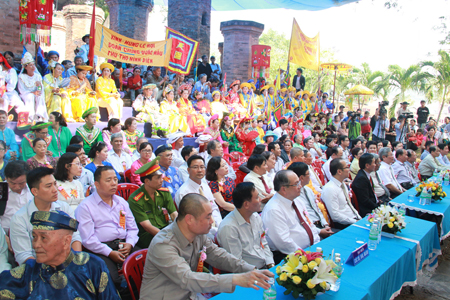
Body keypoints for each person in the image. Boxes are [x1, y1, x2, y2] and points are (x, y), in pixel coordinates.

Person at [139, 193, 272, 300]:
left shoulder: (197, 234)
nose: (212, 221)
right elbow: (188, 279)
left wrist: (251, 270)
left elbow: (219, 256)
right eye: (208, 217)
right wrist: (236, 279)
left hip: (190, 294)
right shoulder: (163, 245)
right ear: (190, 219)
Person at [0, 210, 120, 299]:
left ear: (66, 241)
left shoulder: (92, 265)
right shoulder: (29, 271)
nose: (36, 245)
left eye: (43, 238)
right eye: (34, 237)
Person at [75, 166, 139, 294]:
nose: (114, 183)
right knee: (114, 280)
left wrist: (130, 243)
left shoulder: (121, 202)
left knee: (146, 265)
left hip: (124, 244)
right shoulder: (85, 207)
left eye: (115, 179)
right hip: (101, 249)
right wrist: (110, 253)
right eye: (108, 180)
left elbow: (132, 228)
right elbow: (88, 240)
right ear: (97, 184)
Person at [10, 167, 82, 265]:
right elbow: (24, 255)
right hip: (38, 269)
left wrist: (77, 263)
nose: (55, 190)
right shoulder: (20, 218)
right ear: (35, 191)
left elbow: (74, 238)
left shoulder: (63, 208)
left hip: (67, 263)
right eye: (48, 186)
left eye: (55, 184)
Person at [261, 170, 320, 264]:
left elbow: (309, 224)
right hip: (291, 257)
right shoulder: (274, 210)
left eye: (299, 182)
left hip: (310, 251)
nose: (300, 186)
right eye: (296, 184)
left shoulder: (297, 201)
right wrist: (305, 256)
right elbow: (283, 242)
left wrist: (317, 245)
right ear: (283, 189)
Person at [217, 182, 274, 269]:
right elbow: (236, 263)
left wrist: (271, 265)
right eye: (257, 197)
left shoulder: (255, 217)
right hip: (249, 273)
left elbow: (264, 243)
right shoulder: (229, 227)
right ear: (246, 204)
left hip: (264, 265)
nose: (260, 200)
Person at [129, 157, 178, 248]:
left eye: (161, 176)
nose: (162, 179)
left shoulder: (164, 192)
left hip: (165, 230)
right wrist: (167, 238)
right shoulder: (135, 199)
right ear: (147, 181)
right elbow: (147, 226)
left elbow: (174, 214)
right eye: (158, 177)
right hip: (147, 236)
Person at [174, 155, 222, 237]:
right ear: (188, 170)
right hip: (198, 232)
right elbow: (191, 219)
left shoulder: (205, 186)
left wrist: (220, 226)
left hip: (214, 228)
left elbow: (214, 208)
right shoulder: (184, 192)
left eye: (202, 167)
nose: (200, 170)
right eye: (195, 167)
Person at [321, 158, 361, 229]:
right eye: (347, 167)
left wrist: (359, 218)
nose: (349, 170)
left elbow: (349, 205)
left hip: (353, 219)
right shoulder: (330, 189)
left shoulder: (342, 184)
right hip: (344, 225)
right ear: (339, 171)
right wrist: (354, 222)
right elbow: (335, 216)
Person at [1, 161, 31, 234]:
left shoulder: (33, 189)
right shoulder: (1, 190)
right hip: (5, 233)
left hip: (30, 231)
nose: (17, 187)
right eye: (12, 183)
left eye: (21, 183)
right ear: (6, 178)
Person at [18, 52, 48, 122]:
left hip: (36, 93)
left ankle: (40, 116)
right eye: (30, 65)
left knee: (39, 95)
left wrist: (39, 86)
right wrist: (32, 92)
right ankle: (31, 116)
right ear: (25, 67)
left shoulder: (37, 76)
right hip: (26, 94)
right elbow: (22, 90)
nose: (33, 67)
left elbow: (40, 89)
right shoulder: (21, 77)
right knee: (30, 96)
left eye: (33, 65)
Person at [351, 153, 381, 217]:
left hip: (374, 203)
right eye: (373, 163)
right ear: (367, 165)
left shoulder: (366, 174)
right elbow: (365, 200)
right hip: (367, 210)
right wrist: (378, 208)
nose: (375, 165)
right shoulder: (361, 179)